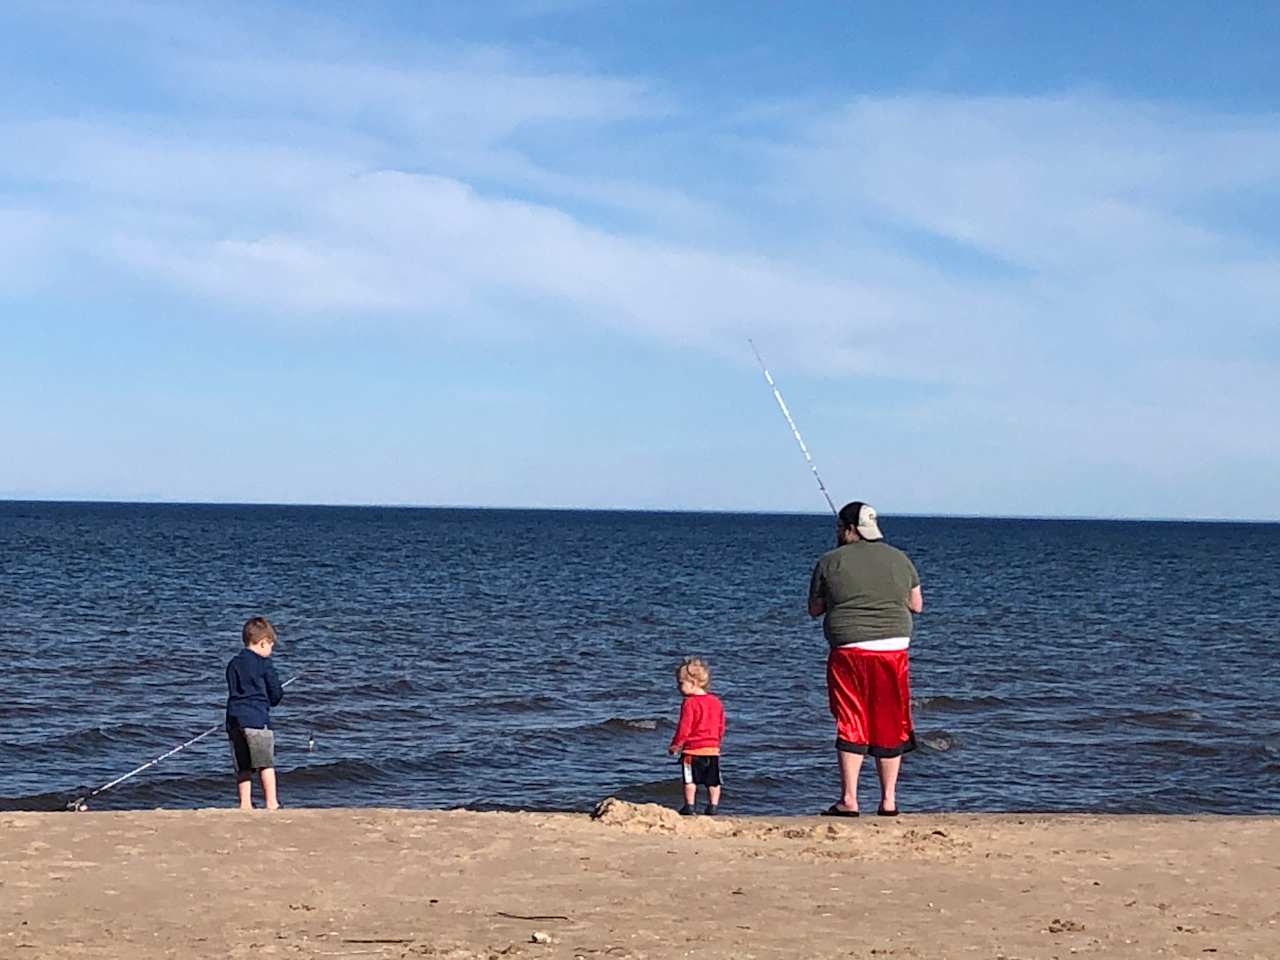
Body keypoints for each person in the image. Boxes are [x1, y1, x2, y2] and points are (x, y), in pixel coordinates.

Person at [808, 501, 922, 817]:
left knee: (851, 719)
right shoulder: (900, 559)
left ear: (848, 529)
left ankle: (849, 799)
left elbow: (814, 609)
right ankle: (888, 800)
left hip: (849, 649)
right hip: (893, 649)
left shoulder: (829, 561)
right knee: (889, 721)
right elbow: (917, 604)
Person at [225, 616, 285, 810]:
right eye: (270, 646)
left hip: (234, 719)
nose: (271, 651)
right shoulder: (264, 664)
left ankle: (245, 803)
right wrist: (273, 697)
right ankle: (271, 802)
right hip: (257, 718)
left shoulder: (233, 663)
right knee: (264, 762)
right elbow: (275, 693)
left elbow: (234, 690)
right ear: (262, 643)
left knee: (243, 765)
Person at [667, 657, 726, 816]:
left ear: (693, 683)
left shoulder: (689, 703)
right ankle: (713, 806)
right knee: (713, 781)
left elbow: (685, 727)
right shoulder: (716, 702)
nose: (678, 687)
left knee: (690, 780)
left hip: (693, 750)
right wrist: (717, 742)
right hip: (712, 749)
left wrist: (676, 744)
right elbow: (720, 725)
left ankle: (690, 806)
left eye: (681, 683)